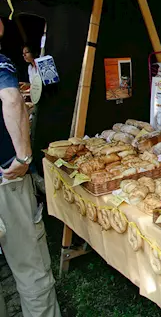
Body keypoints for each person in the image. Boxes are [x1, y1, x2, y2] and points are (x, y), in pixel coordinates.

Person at [0, 20, 61, 317]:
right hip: (6, 180)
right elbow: (12, 99)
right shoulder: (2, 65)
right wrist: (23, 157)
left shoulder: (40, 61)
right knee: (31, 269)